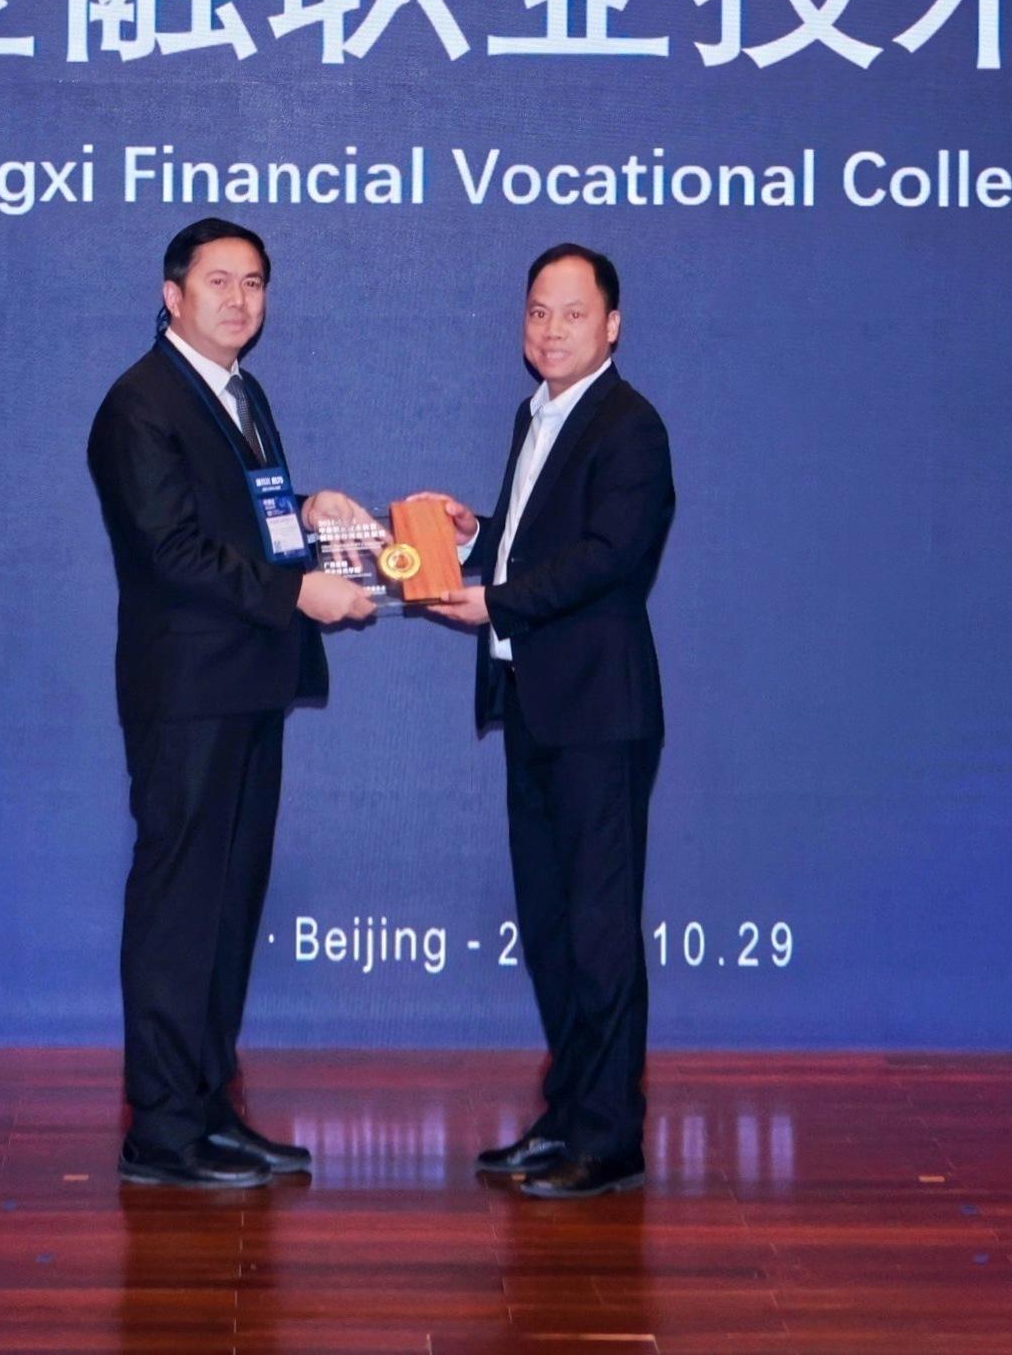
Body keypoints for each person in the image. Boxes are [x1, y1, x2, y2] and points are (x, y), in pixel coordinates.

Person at [86, 217, 379, 1187]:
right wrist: (298, 593)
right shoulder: (140, 403)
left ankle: (209, 1106)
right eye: (218, 280)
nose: (239, 299)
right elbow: (174, 552)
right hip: (187, 697)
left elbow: (241, 524)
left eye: (253, 282)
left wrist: (309, 512)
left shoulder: (239, 393)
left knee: (225, 905)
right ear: (171, 294)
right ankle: (161, 1132)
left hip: (246, 688)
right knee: (180, 909)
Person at [416, 242, 674, 1199]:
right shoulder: (537, 413)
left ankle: (607, 1139)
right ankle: (566, 1116)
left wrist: (497, 599)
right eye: (537, 311)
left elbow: (609, 556)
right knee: (554, 925)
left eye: (572, 313)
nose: (550, 329)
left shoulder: (628, 424)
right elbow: (543, 541)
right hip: (536, 704)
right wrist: (479, 538)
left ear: (612, 325)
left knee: (598, 929)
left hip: (598, 712)